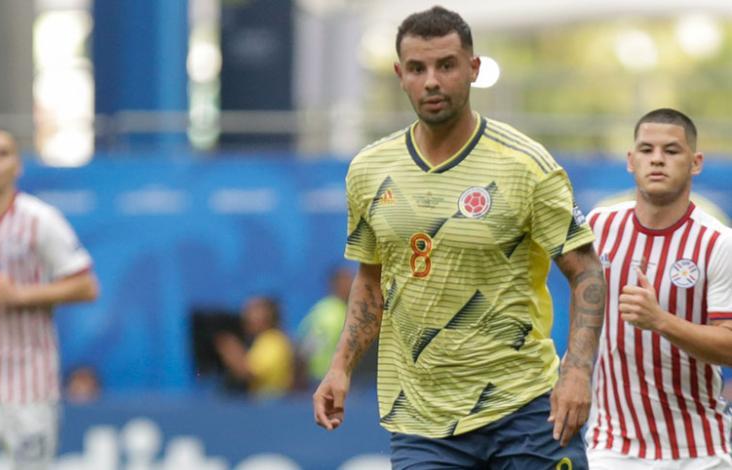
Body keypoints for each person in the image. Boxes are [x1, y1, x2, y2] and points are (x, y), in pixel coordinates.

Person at [312, 6, 605, 469]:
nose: (432, 80)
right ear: (400, 75)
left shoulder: (525, 164)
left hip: (525, 408)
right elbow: (370, 280)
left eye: (446, 65)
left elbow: (585, 268)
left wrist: (577, 371)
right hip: (422, 419)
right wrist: (340, 367)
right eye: (417, 68)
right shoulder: (369, 171)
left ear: (473, 69)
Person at [585, 108, 732, 469]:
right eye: (647, 150)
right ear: (630, 160)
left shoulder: (718, 243)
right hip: (612, 446)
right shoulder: (598, 226)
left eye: (671, 150)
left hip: (699, 450)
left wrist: (660, 320)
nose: (657, 160)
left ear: (695, 163)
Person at [0, 129, 99, 469]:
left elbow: (86, 286)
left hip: (29, 376)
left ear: (17, 165)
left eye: (2, 153)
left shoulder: (40, 221)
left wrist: (20, 295)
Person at [214, 296, 294, 398]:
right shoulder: (262, 340)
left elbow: (248, 372)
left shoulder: (273, 340)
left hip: (272, 405)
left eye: (252, 311)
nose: (245, 316)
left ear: (267, 315)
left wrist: (227, 346)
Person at [297, 266, 354, 382]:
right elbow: (307, 351)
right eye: (348, 281)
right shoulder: (329, 314)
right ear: (336, 284)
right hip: (322, 379)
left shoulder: (344, 310)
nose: (353, 284)